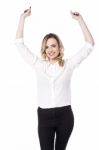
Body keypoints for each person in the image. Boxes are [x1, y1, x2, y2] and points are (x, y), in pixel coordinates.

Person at [15, 6, 94, 150]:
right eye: (47, 47)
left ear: (59, 47)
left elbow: (89, 45)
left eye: (53, 45)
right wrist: (22, 18)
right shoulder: (38, 65)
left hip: (65, 117)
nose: (50, 49)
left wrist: (80, 20)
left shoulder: (68, 65)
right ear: (44, 49)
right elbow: (19, 44)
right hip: (44, 117)